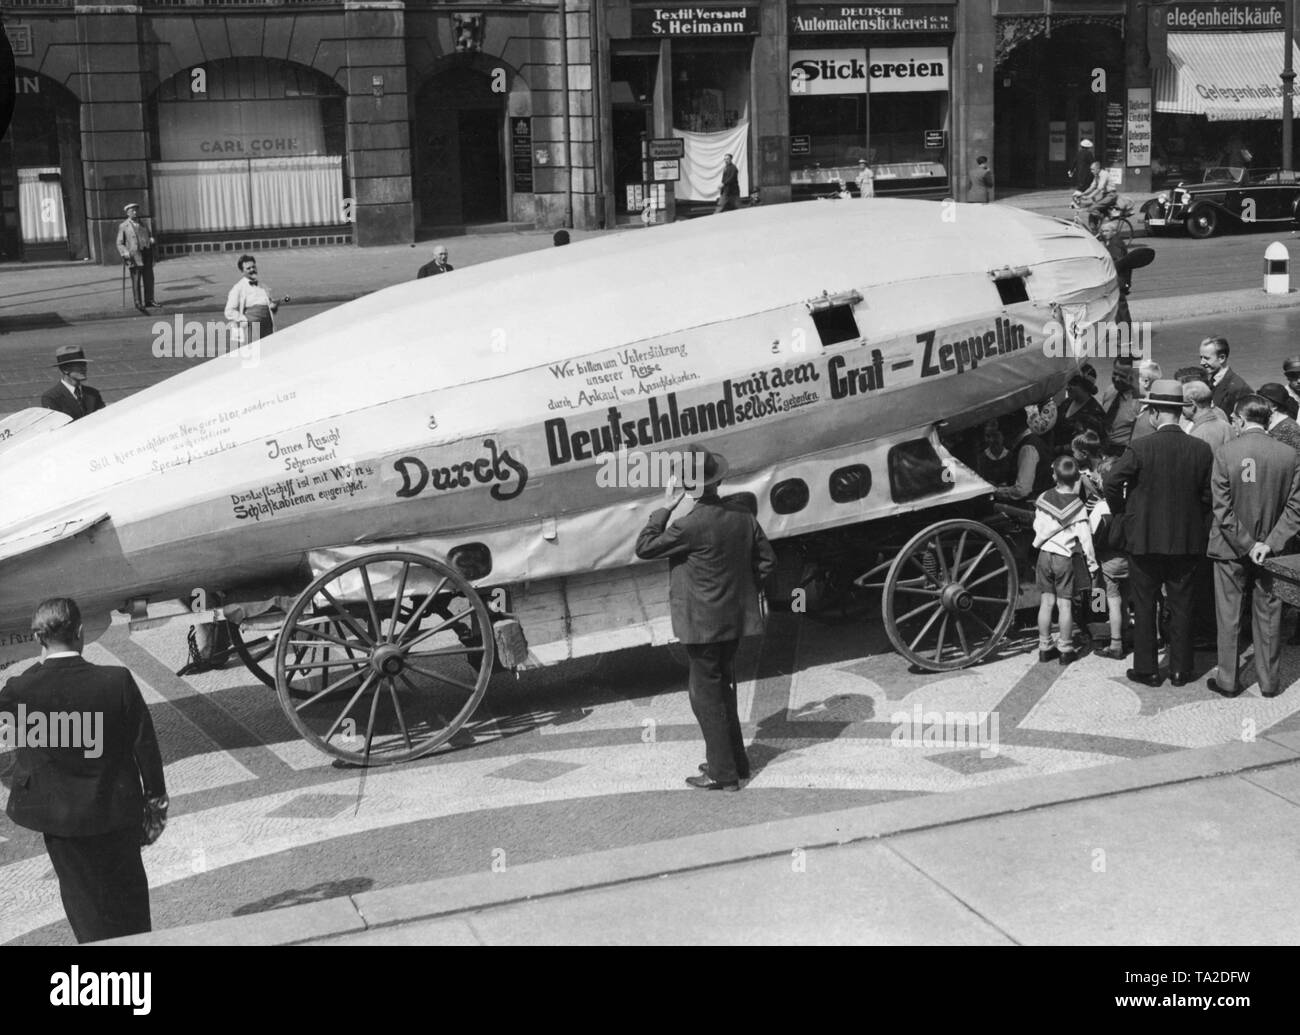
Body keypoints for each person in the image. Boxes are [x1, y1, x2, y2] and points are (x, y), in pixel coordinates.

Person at [0, 598, 167, 943]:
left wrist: (14, 776)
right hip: (117, 811)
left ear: (38, 640)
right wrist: (156, 803)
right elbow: (145, 747)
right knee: (130, 900)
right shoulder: (116, 680)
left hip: (61, 822)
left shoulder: (21, 690)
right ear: (80, 633)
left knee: (84, 903)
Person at [635, 446, 776, 791]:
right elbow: (767, 563)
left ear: (689, 486)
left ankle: (723, 774)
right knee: (723, 690)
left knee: (705, 698)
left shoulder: (688, 525)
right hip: (735, 622)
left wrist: (666, 506)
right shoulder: (743, 516)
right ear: (718, 480)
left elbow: (644, 546)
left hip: (701, 627)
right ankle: (734, 762)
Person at [1103, 380, 1214, 688]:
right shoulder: (1201, 449)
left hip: (1143, 539)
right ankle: (1181, 669)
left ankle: (1147, 669)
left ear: (1153, 412)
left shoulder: (1140, 447)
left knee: (1144, 603)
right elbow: (1208, 496)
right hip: (1186, 541)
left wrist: (1123, 512)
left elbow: (1111, 482)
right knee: (1182, 606)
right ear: (1180, 412)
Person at [1205, 396, 1300, 698]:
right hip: (1273, 551)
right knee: (1270, 616)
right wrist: (1268, 544)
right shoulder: (1290, 455)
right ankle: (1269, 682)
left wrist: (1247, 543)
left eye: (1234, 420)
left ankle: (1229, 680)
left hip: (1230, 549)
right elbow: (1295, 508)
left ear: (1242, 420)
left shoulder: (1224, 453)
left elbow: (1222, 509)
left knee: (1229, 615)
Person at [1033, 456, 1098, 666]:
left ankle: (1044, 647)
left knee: (1046, 602)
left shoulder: (1043, 497)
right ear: (1077, 478)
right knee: (1064, 605)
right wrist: (1092, 564)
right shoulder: (1078, 506)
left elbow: (1037, 526)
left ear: (1054, 476)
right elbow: (1086, 539)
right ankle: (1065, 648)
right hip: (1064, 557)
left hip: (1044, 555)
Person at [1073, 430, 1129, 659]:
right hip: (1123, 552)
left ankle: (1100, 627)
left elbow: (1092, 512)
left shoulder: (1098, 474)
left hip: (1103, 547)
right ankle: (1117, 627)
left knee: (1099, 588)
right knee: (1119, 595)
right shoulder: (1108, 467)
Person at [992, 408, 1054, 503]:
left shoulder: (1028, 448)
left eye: (1002, 430)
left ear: (1011, 429)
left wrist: (995, 491)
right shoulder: (1032, 442)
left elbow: (1022, 490)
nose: (1002, 434)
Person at [224, 254, 279, 346]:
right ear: (242, 271)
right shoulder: (238, 288)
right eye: (248, 268)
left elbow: (270, 306)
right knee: (254, 354)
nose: (252, 270)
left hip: (268, 325)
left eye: (253, 267)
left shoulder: (263, 286)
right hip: (251, 327)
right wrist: (245, 319)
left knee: (269, 352)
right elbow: (229, 311)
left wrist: (273, 306)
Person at [40, 346, 105, 421]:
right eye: (79, 366)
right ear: (65, 370)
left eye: (84, 364)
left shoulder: (93, 394)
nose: (84, 368)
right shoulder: (51, 397)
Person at [115, 202, 158, 315]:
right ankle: (138, 302)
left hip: (146, 253)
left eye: (136, 210)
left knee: (149, 278)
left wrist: (151, 239)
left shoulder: (143, 223)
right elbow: (119, 243)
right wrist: (125, 252)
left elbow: (148, 235)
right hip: (134, 255)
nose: (135, 212)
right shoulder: (124, 226)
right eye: (132, 210)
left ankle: (149, 300)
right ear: (127, 213)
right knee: (136, 279)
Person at [1199, 336, 1252, 417]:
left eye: (1206, 358)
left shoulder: (1239, 388)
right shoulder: (1208, 382)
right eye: (1201, 357)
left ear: (1222, 358)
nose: (1201, 362)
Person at [1054, 373, 1107, 452]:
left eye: (1073, 384)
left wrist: (1058, 449)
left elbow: (1088, 445)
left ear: (1085, 386)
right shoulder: (1067, 402)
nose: (1067, 387)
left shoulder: (1095, 414)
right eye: (1068, 383)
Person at [1099, 359, 1141, 457]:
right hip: (1102, 449)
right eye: (1115, 374)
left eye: (1123, 376)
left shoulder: (1140, 401)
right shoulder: (1110, 390)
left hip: (1123, 454)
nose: (1117, 379)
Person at [1181, 380, 1232, 452]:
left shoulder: (1196, 436)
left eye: (1182, 404)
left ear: (1192, 405)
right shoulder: (1227, 427)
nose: (1180, 408)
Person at [1075, 161, 1117, 232]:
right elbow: (1091, 187)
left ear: (1098, 169)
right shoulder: (1096, 176)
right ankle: (1095, 232)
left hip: (1111, 195)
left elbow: (1099, 188)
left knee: (1092, 208)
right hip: (1105, 196)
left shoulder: (1104, 174)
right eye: (1091, 169)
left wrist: (1089, 197)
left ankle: (1106, 220)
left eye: (1093, 169)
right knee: (1091, 214)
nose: (1091, 171)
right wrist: (1082, 194)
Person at [1257, 382, 1300, 453]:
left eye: (1261, 402)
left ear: (1274, 406)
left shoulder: (1290, 427)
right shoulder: (1264, 421)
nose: (1257, 404)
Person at [975, 419, 1017, 487]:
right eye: (988, 436)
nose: (992, 440)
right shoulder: (982, 457)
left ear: (1002, 436)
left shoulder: (1010, 456)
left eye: (995, 435)